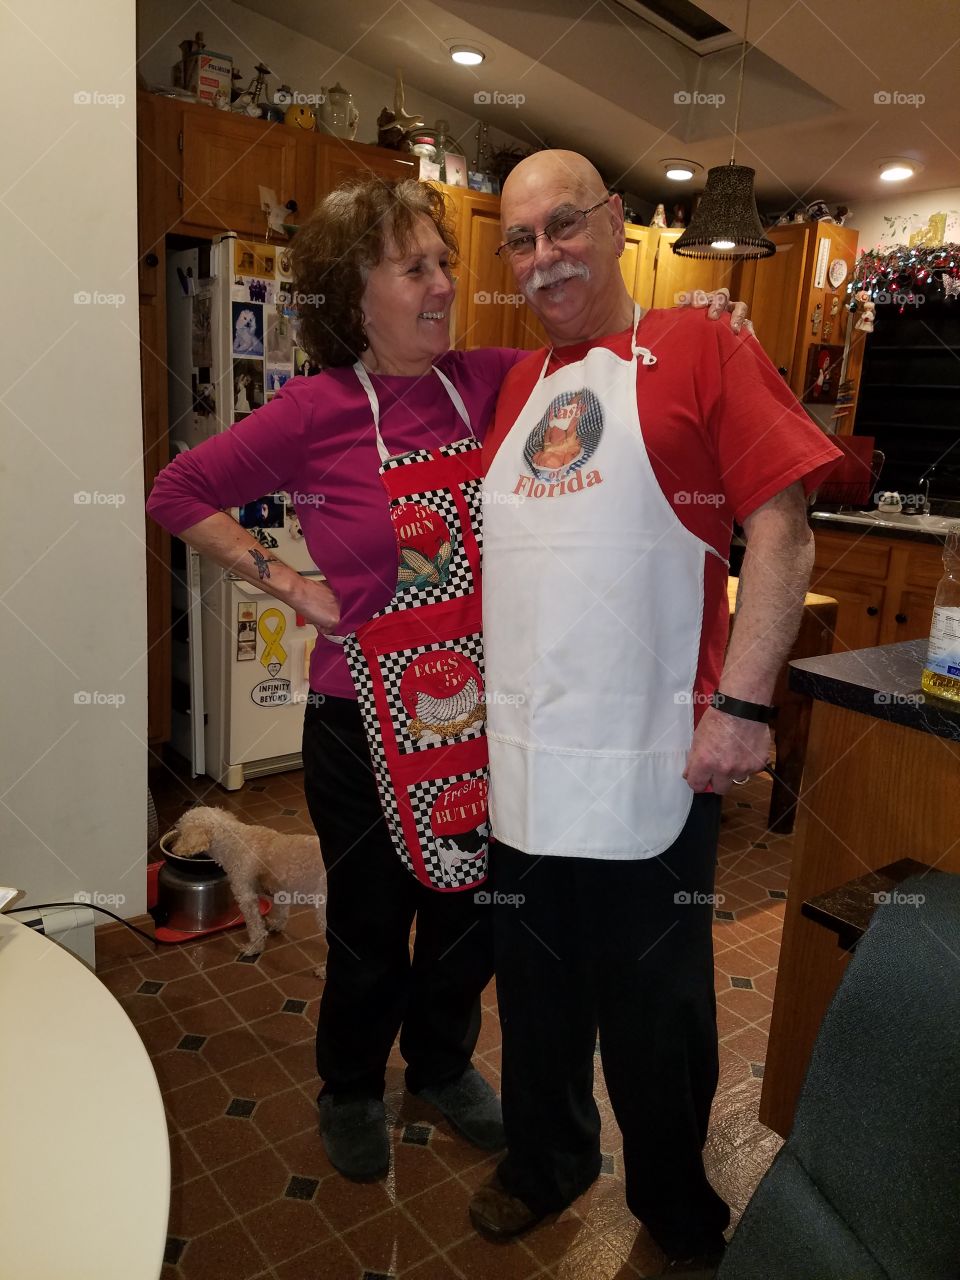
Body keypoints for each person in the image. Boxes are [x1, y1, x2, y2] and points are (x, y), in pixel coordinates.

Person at [146, 176, 746, 1187]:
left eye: (444, 263)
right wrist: (292, 585)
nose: (442, 285)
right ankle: (349, 1083)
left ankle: (439, 1064)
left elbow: (613, 359)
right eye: (412, 268)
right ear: (353, 294)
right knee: (371, 925)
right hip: (362, 719)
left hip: (485, 714)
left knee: (473, 915)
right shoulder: (314, 411)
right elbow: (178, 490)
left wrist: (703, 325)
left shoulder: (498, 381)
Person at [468, 151, 841, 1279]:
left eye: (564, 225)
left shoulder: (704, 346)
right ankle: (546, 1159)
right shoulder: (514, 389)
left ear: (617, 220)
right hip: (524, 763)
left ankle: (675, 1199)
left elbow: (784, 531)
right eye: (521, 239)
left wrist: (743, 705)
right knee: (534, 991)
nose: (544, 256)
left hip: (652, 757)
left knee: (655, 1005)